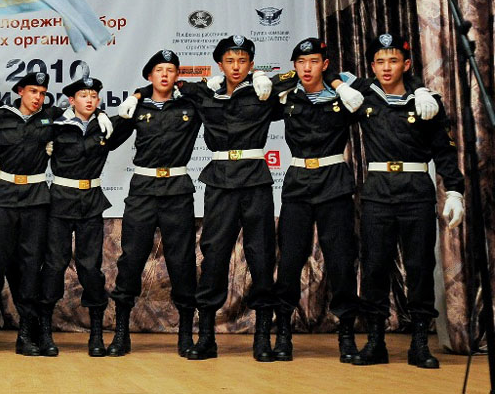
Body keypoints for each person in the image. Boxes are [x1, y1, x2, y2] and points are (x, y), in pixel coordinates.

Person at [347, 32, 464, 369]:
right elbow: (323, 80)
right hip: (377, 192)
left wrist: (455, 190)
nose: (386, 67)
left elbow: (444, 151)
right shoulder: (364, 96)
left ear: (406, 64)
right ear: (372, 66)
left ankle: (419, 344)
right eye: (380, 61)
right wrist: (342, 86)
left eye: (394, 60)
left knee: (419, 267)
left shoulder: (426, 102)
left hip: (415, 191)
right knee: (374, 267)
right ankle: (375, 341)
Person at [174, 35, 278, 362]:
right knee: (214, 255)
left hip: (255, 181)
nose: (236, 67)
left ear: (251, 64)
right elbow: (168, 84)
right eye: (230, 61)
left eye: (243, 61)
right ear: (220, 64)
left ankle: (263, 338)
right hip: (220, 181)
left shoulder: (264, 91)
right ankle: (206, 337)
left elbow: (310, 78)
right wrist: (136, 96)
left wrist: (263, 78)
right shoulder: (206, 92)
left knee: (261, 255)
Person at [266, 38, 365, 362]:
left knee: (340, 261)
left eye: (313, 62)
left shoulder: (344, 94)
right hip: (298, 183)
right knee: (290, 261)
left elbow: (382, 87)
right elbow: (254, 94)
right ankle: (283, 333)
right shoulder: (287, 95)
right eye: (301, 62)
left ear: (325, 64)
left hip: (334, 182)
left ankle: (346, 334)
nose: (307, 68)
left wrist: (337, 83)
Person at [110, 49, 201, 357]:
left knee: (182, 262)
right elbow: (110, 140)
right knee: (131, 259)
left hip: (177, 190)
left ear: (177, 76)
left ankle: (186, 335)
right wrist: (131, 103)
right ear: (150, 75)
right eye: (159, 70)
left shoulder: (190, 105)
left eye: (170, 70)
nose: (165, 74)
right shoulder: (137, 106)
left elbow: (217, 101)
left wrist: (191, 87)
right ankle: (121, 334)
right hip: (143, 190)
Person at [0, 72, 59, 356]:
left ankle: (26, 334)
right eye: (33, 91)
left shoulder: (50, 117)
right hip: (4, 196)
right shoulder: (0, 117)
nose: (38, 97)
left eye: (42, 93)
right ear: (20, 91)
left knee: (31, 265)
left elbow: (83, 112)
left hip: (36, 198)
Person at [37, 76, 116, 357]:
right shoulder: (56, 123)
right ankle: (44, 332)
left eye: (94, 96)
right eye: (83, 95)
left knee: (90, 268)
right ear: (72, 100)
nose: (90, 100)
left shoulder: (104, 126)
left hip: (91, 202)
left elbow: (132, 117)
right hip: (60, 201)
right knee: (54, 265)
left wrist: (106, 115)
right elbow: (31, 117)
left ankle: (96, 334)